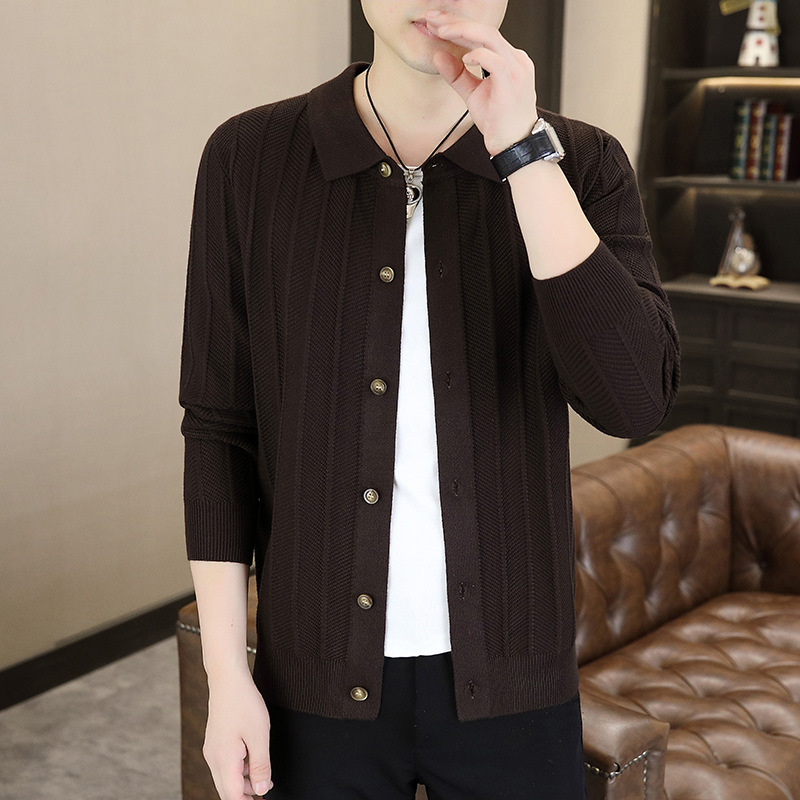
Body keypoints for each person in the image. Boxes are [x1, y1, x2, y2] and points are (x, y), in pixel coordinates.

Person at [178, 2, 680, 799]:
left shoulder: (583, 162)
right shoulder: (249, 157)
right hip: (311, 680)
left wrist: (523, 153)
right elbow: (218, 429)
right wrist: (226, 676)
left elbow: (634, 402)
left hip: (516, 680)